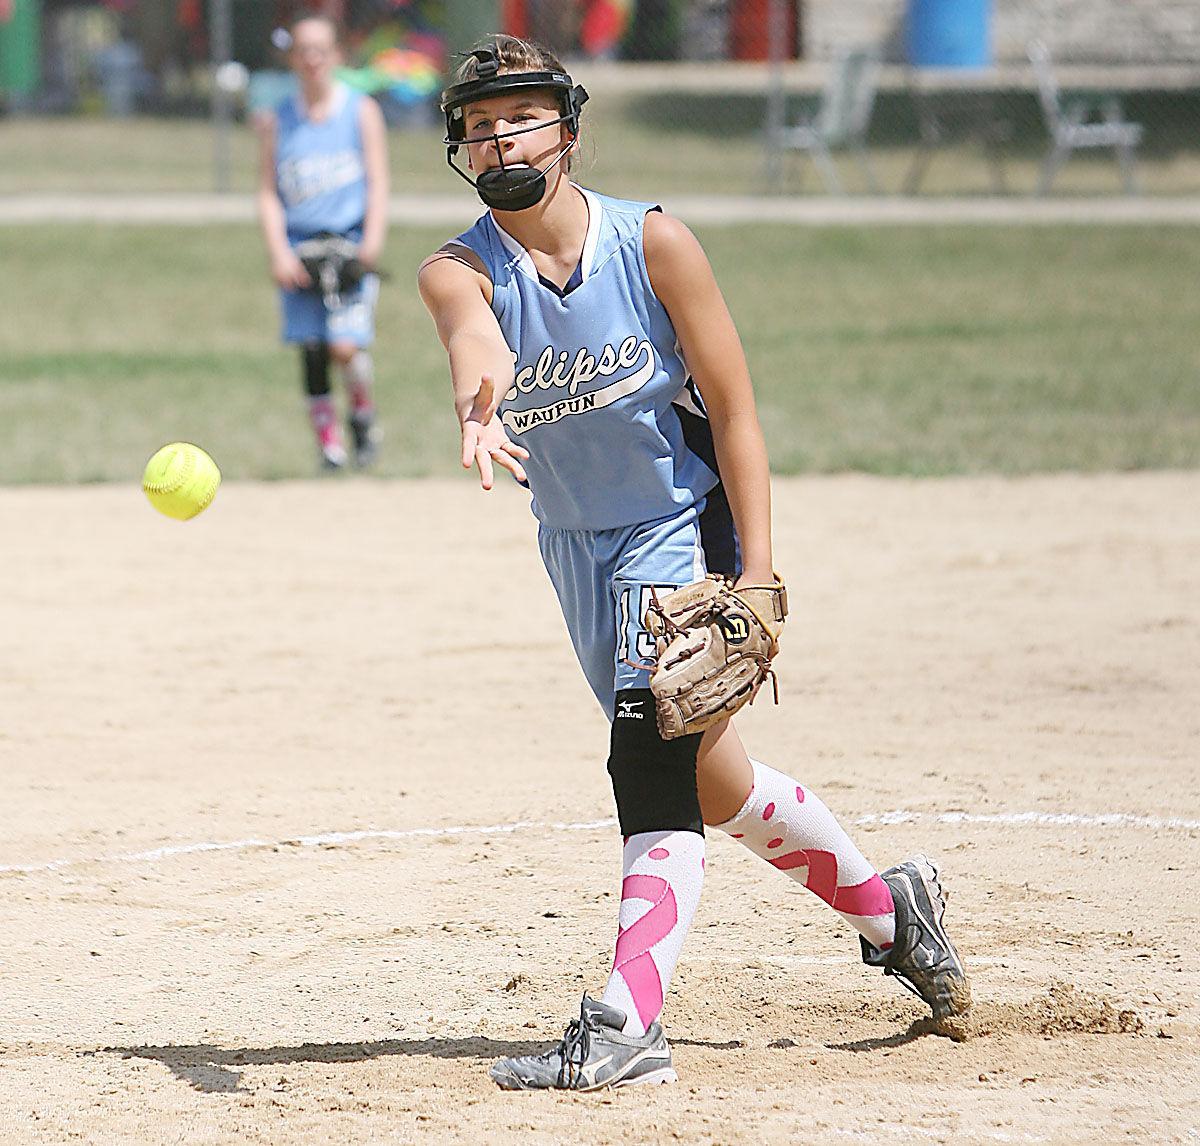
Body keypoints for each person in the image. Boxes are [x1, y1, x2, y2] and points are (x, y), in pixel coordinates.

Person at [417, 35, 970, 1092]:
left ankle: (628, 1025)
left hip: (678, 522)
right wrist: (477, 399)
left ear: (568, 130)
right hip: (575, 545)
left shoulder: (654, 243)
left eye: (522, 118)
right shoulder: (458, 265)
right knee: (711, 781)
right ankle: (893, 914)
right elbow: (471, 335)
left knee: (645, 759)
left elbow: (736, 409)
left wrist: (757, 570)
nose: (501, 140)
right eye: (480, 127)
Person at [256, 12, 388, 470]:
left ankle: (362, 416)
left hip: (348, 242)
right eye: (303, 50)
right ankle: (328, 445)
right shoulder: (279, 119)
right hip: (300, 248)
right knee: (312, 347)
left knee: (345, 347)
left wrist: (371, 242)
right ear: (291, 58)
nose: (312, 59)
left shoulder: (360, 111)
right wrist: (279, 252)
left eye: (320, 50)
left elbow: (377, 182)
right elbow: (269, 192)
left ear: (336, 55)